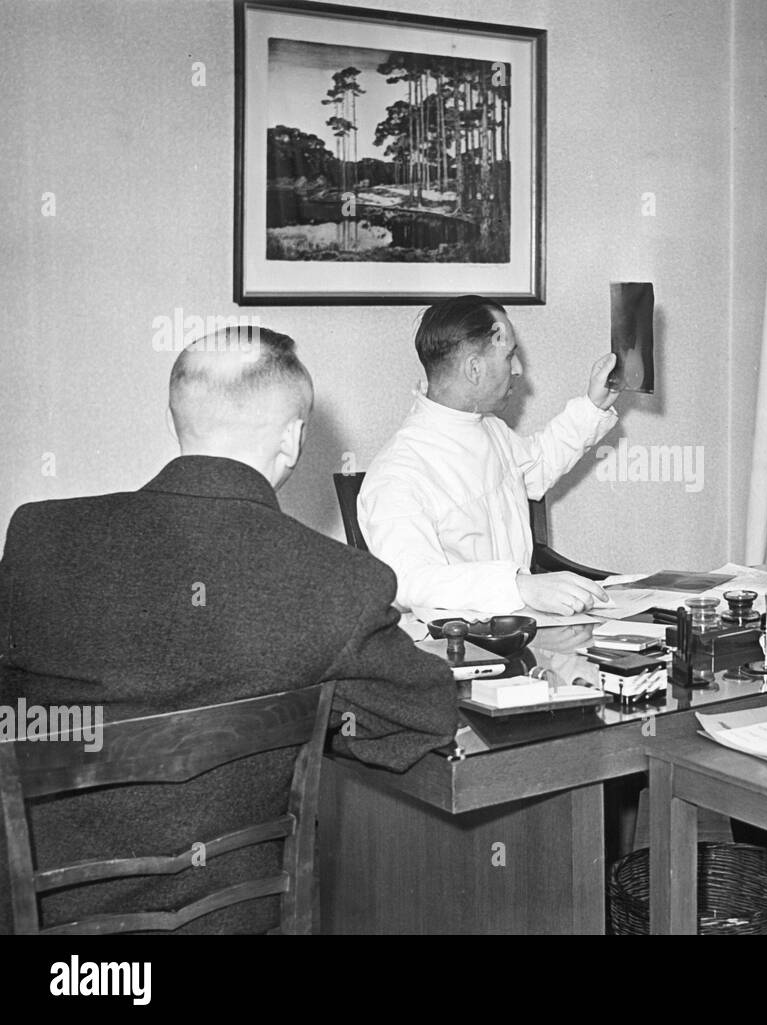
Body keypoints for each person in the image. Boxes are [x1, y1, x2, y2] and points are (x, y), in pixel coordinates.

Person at [0, 327, 459, 934]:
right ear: (293, 439)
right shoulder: (337, 582)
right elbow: (425, 713)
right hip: (235, 918)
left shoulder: (39, 537)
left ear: (177, 419)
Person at [359, 296, 622, 615]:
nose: (519, 369)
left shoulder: (489, 429)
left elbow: (536, 467)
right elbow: (408, 582)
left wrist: (593, 406)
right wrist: (518, 586)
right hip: (455, 651)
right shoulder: (398, 474)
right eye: (510, 355)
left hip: (522, 629)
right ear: (474, 368)